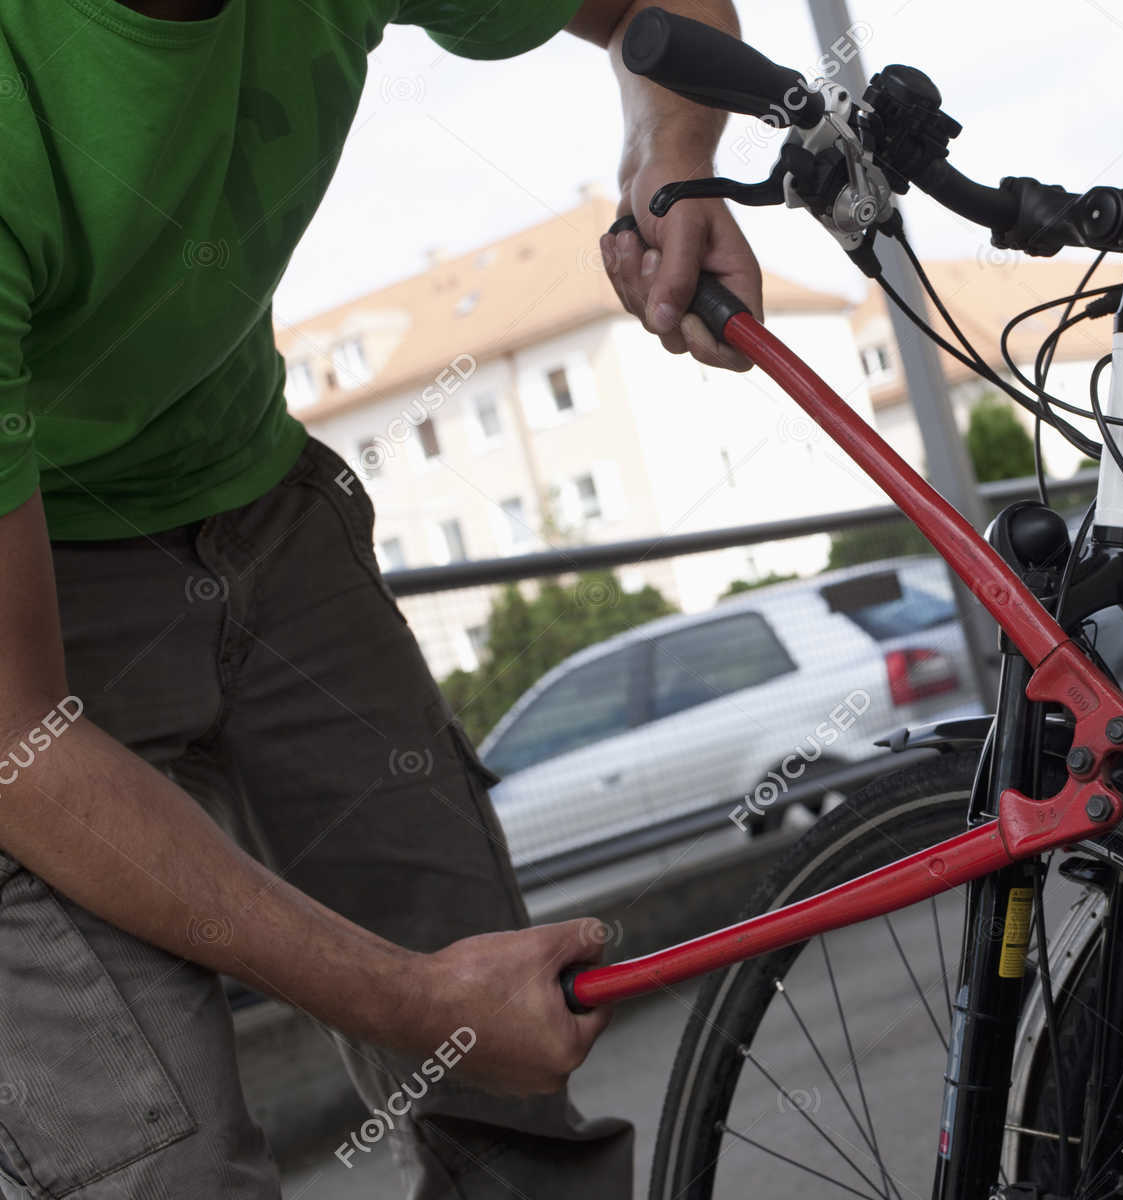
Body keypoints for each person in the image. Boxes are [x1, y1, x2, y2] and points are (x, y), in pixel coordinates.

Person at [0, 1, 757, 1195]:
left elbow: (664, 11)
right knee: (166, 1172)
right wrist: (411, 999)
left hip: (261, 508)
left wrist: (667, 165)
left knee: (511, 1097)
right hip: (31, 603)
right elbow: (18, 751)